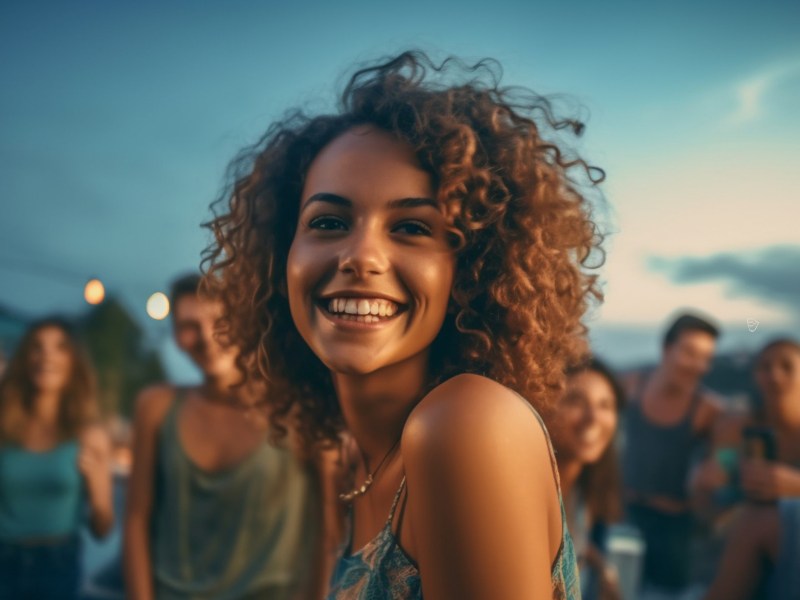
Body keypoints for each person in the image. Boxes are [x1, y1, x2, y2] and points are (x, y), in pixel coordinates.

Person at [204, 50, 606, 598]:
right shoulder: (355, 457)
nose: (361, 256)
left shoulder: (465, 424)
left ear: (468, 269)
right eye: (328, 221)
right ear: (282, 257)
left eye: (412, 227)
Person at [123, 274, 325, 600]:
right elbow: (136, 519)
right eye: (189, 325)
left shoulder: (297, 410)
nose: (207, 336)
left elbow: (328, 533)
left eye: (221, 320)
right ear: (175, 335)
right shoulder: (157, 407)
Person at [0, 317, 114, 599]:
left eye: (60, 347)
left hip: (57, 566)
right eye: (37, 347)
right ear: (26, 358)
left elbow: (102, 530)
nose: (46, 356)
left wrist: (99, 491)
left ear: (74, 361)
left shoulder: (89, 435)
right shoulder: (3, 427)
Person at [622, 313, 722, 597]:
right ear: (667, 348)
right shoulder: (632, 386)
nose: (698, 366)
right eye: (690, 353)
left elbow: (723, 464)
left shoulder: (708, 409)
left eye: (706, 358)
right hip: (624, 516)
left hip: (673, 530)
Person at [703, 338, 800, 600]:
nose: (775, 375)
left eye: (786, 366)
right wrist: (709, 484)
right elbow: (712, 507)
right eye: (765, 367)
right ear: (756, 377)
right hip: (737, 549)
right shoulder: (739, 428)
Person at [554, 357, 625, 600]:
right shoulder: (528, 497)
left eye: (605, 405)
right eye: (575, 400)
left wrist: (603, 567)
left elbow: (576, 543)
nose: (593, 417)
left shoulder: (583, 491)